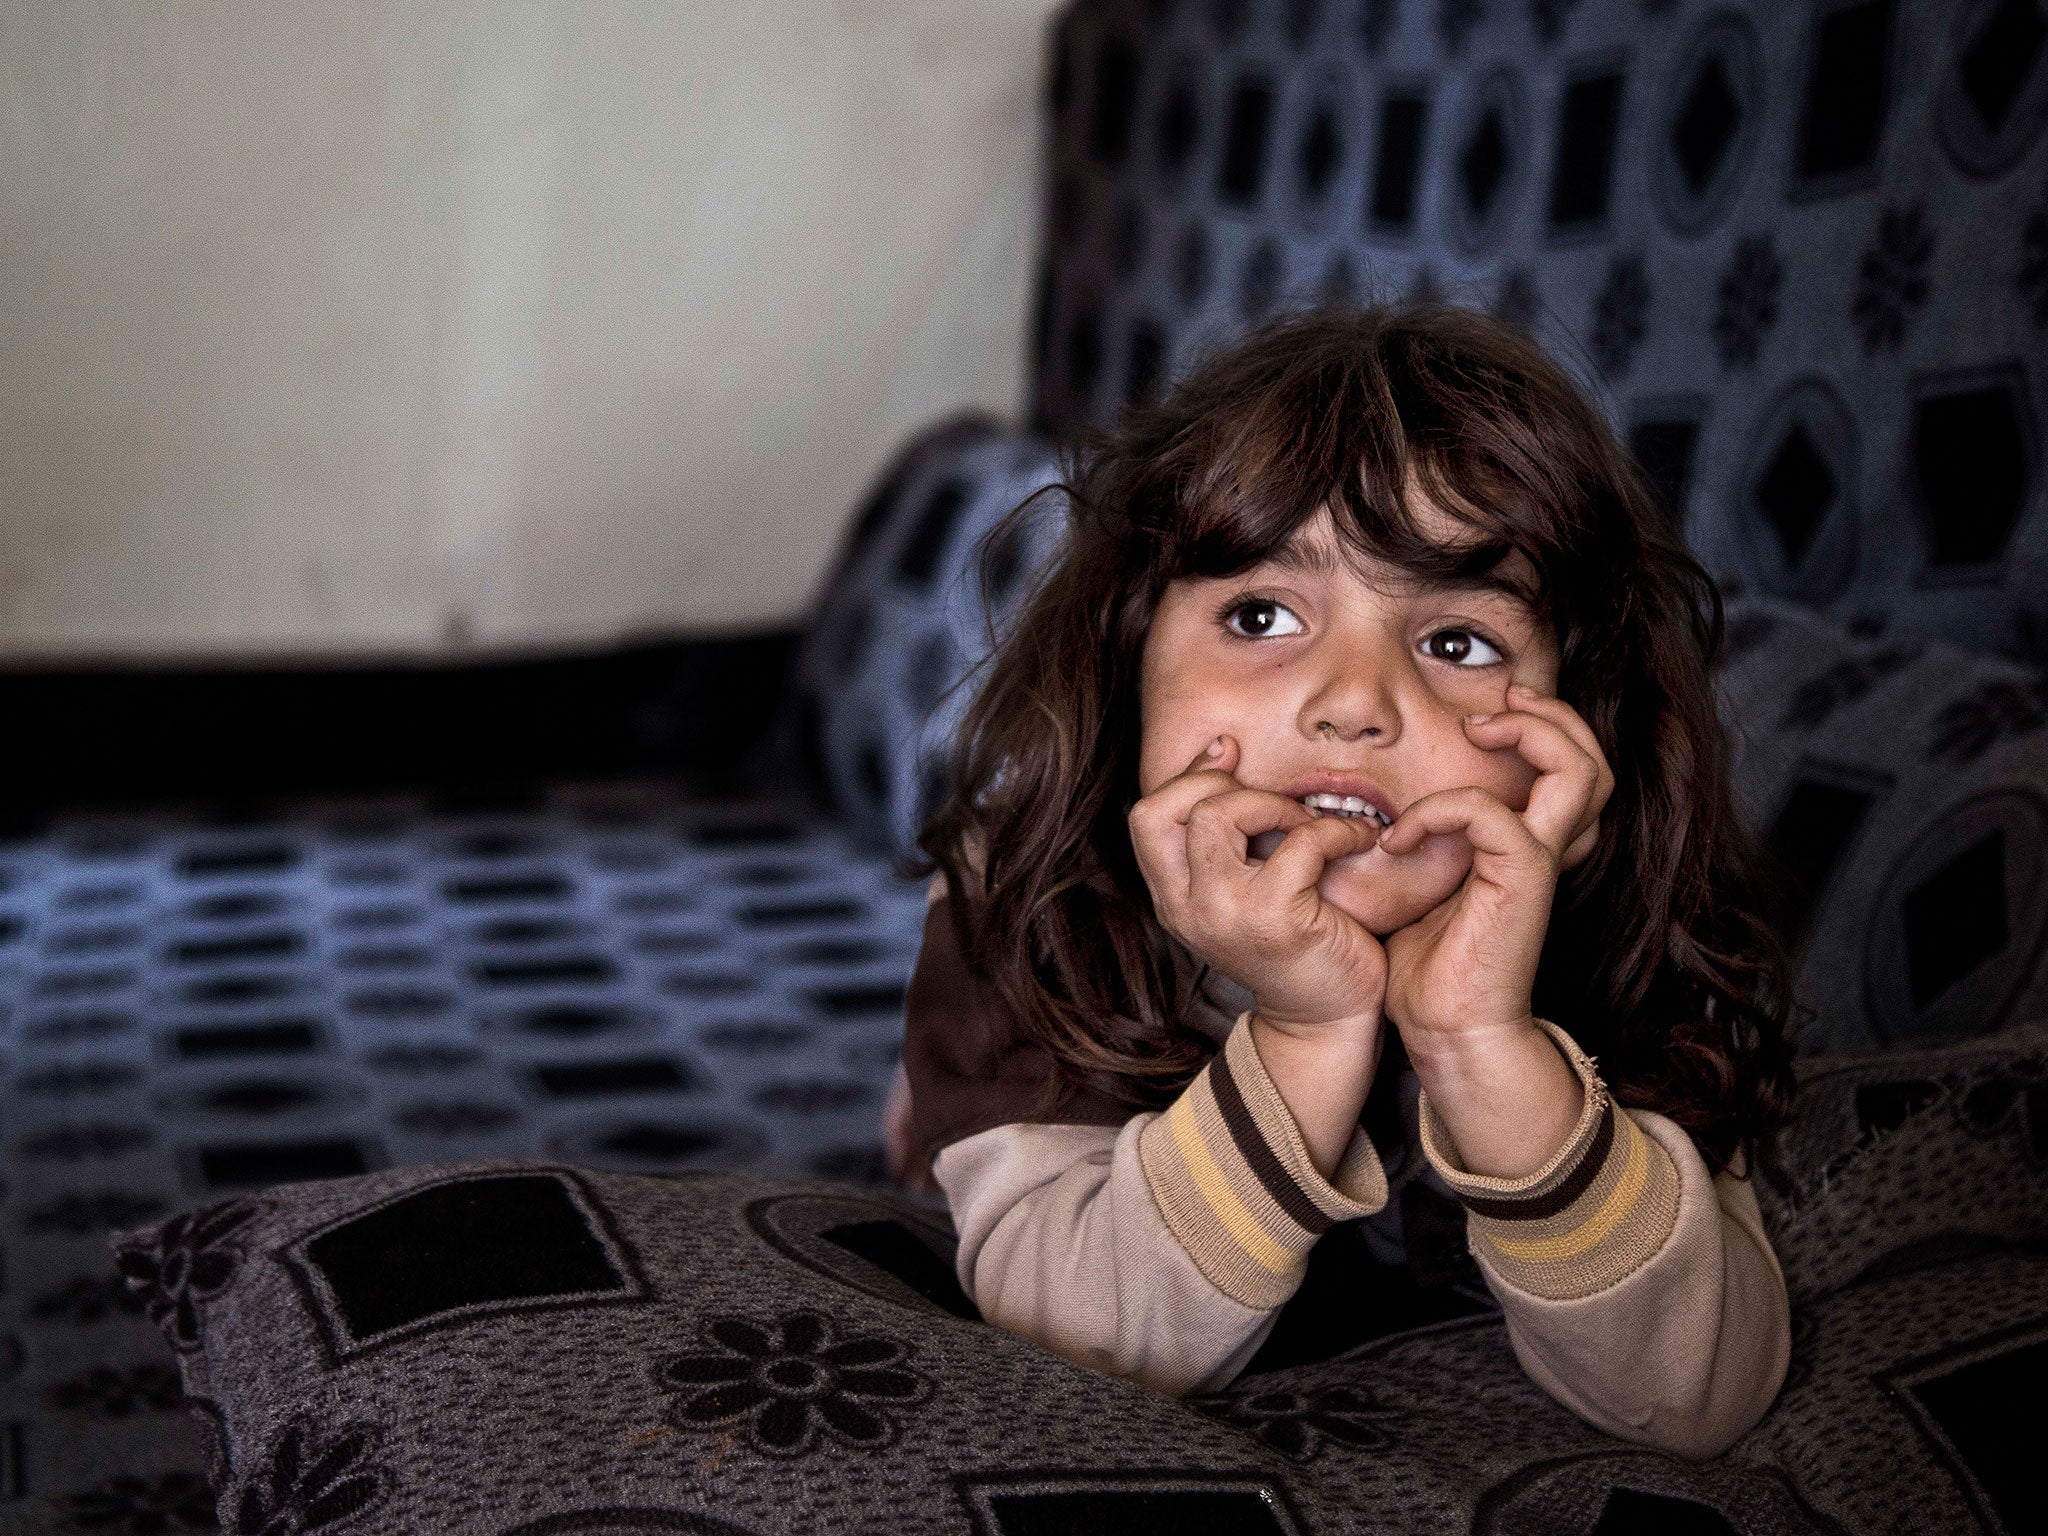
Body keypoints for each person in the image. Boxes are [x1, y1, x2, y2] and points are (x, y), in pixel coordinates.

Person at [884, 305, 1797, 1459]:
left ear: (1573, 729)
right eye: (1260, 614)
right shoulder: (1019, 906)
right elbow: (1076, 1352)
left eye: (1456, 642)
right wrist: (1306, 1032)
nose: (1352, 701)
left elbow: (1697, 1394)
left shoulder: (1624, 924)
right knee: (950, 1138)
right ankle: (934, 1108)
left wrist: (1474, 1039)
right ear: (1126, 662)